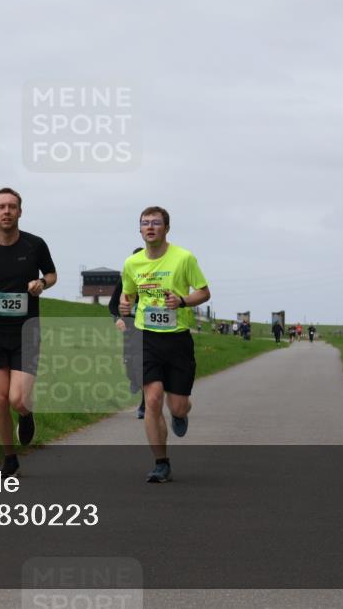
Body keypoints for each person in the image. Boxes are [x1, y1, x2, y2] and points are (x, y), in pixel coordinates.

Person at [0, 188, 57, 477]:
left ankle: (26, 415)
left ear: (20, 212)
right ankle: (9, 457)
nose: (6, 211)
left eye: (12, 207)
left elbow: (52, 275)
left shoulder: (35, 245)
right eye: (1, 207)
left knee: (17, 399)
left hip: (26, 331)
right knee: (0, 398)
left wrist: (41, 283)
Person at [119, 206, 210, 483]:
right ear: (140, 229)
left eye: (156, 223)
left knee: (178, 405)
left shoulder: (184, 258)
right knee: (153, 398)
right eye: (145, 223)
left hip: (178, 338)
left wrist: (182, 301)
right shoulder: (132, 263)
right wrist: (125, 304)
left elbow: (204, 292)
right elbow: (128, 295)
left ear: (166, 228)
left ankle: (180, 414)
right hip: (148, 338)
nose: (150, 227)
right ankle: (161, 462)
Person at [108, 248, 145, 419]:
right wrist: (117, 319)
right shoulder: (124, 281)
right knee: (130, 366)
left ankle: (144, 404)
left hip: (146, 329)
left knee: (143, 366)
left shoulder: (153, 282)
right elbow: (112, 305)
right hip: (129, 327)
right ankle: (135, 380)